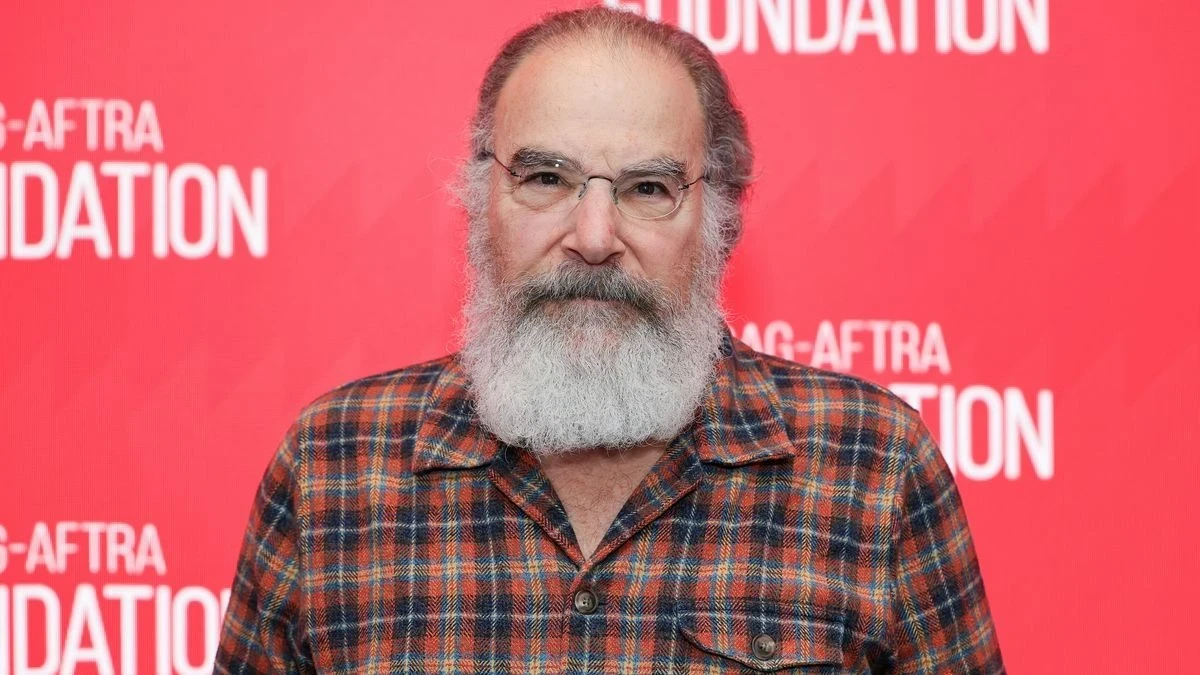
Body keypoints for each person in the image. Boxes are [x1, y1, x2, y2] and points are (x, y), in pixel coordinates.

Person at [215, 7, 1004, 673]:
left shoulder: (874, 467)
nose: (594, 237)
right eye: (546, 178)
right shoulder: (332, 467)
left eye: (648, 188)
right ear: (479, 199)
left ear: (720, 221)